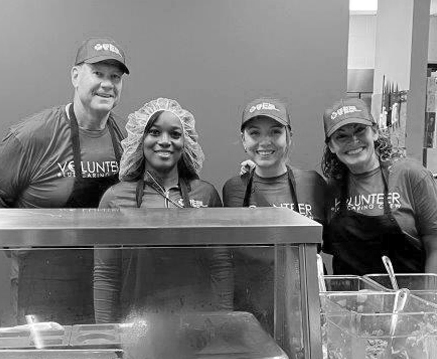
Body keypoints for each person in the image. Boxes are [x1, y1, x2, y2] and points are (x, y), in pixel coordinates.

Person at [0, 37, 130, 324]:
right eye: (98, 74)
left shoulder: (126, 138)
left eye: (116, 77)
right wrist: (17, 245)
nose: (108, 84)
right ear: (75, 76)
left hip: (108, 281)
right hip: (45, 282)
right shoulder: (33, 136)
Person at [94, 98, 233, 323]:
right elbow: (105, 275)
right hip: (136, 327)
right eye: (155, 132)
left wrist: (223, 323)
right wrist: (106, 334)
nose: (165, 141)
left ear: (186, 142)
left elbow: (221, 267)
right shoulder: (114, 198)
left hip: (196, 325)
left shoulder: (206, 195)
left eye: (175, 134)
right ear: (141, 139)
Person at [222, 97, 326, 340]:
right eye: (255, 133)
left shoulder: (313, 183)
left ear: (289, 137)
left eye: (275, 132)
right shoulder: (233, 189)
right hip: (250, 311)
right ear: (243, 140)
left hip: (305, 310)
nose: (265, 142)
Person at [321, 97, 437, 275]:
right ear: (331, 146)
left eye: (360, 130)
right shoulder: (334, 187)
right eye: (341, 136)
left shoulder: (410, 174)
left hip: (405, 298)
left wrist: (429, 299)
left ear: (375, 132)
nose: (353, 140)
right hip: (347, 300)